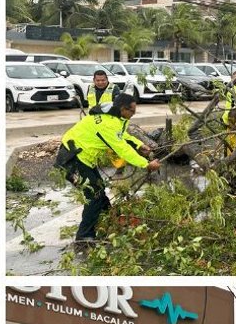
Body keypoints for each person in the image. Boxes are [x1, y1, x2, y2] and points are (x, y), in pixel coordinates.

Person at [55, 93, 161, 242]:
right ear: (123, 109)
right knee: (93, 197)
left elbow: (121, 136)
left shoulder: (114, 115)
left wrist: (138, 144)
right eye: (132, 112)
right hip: (72, 159)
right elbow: (121, 148)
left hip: (83, 157)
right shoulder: (107, 123)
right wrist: (146, 164)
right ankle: (84, 237)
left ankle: (108, 220)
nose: (133, 114)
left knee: (98, 188)